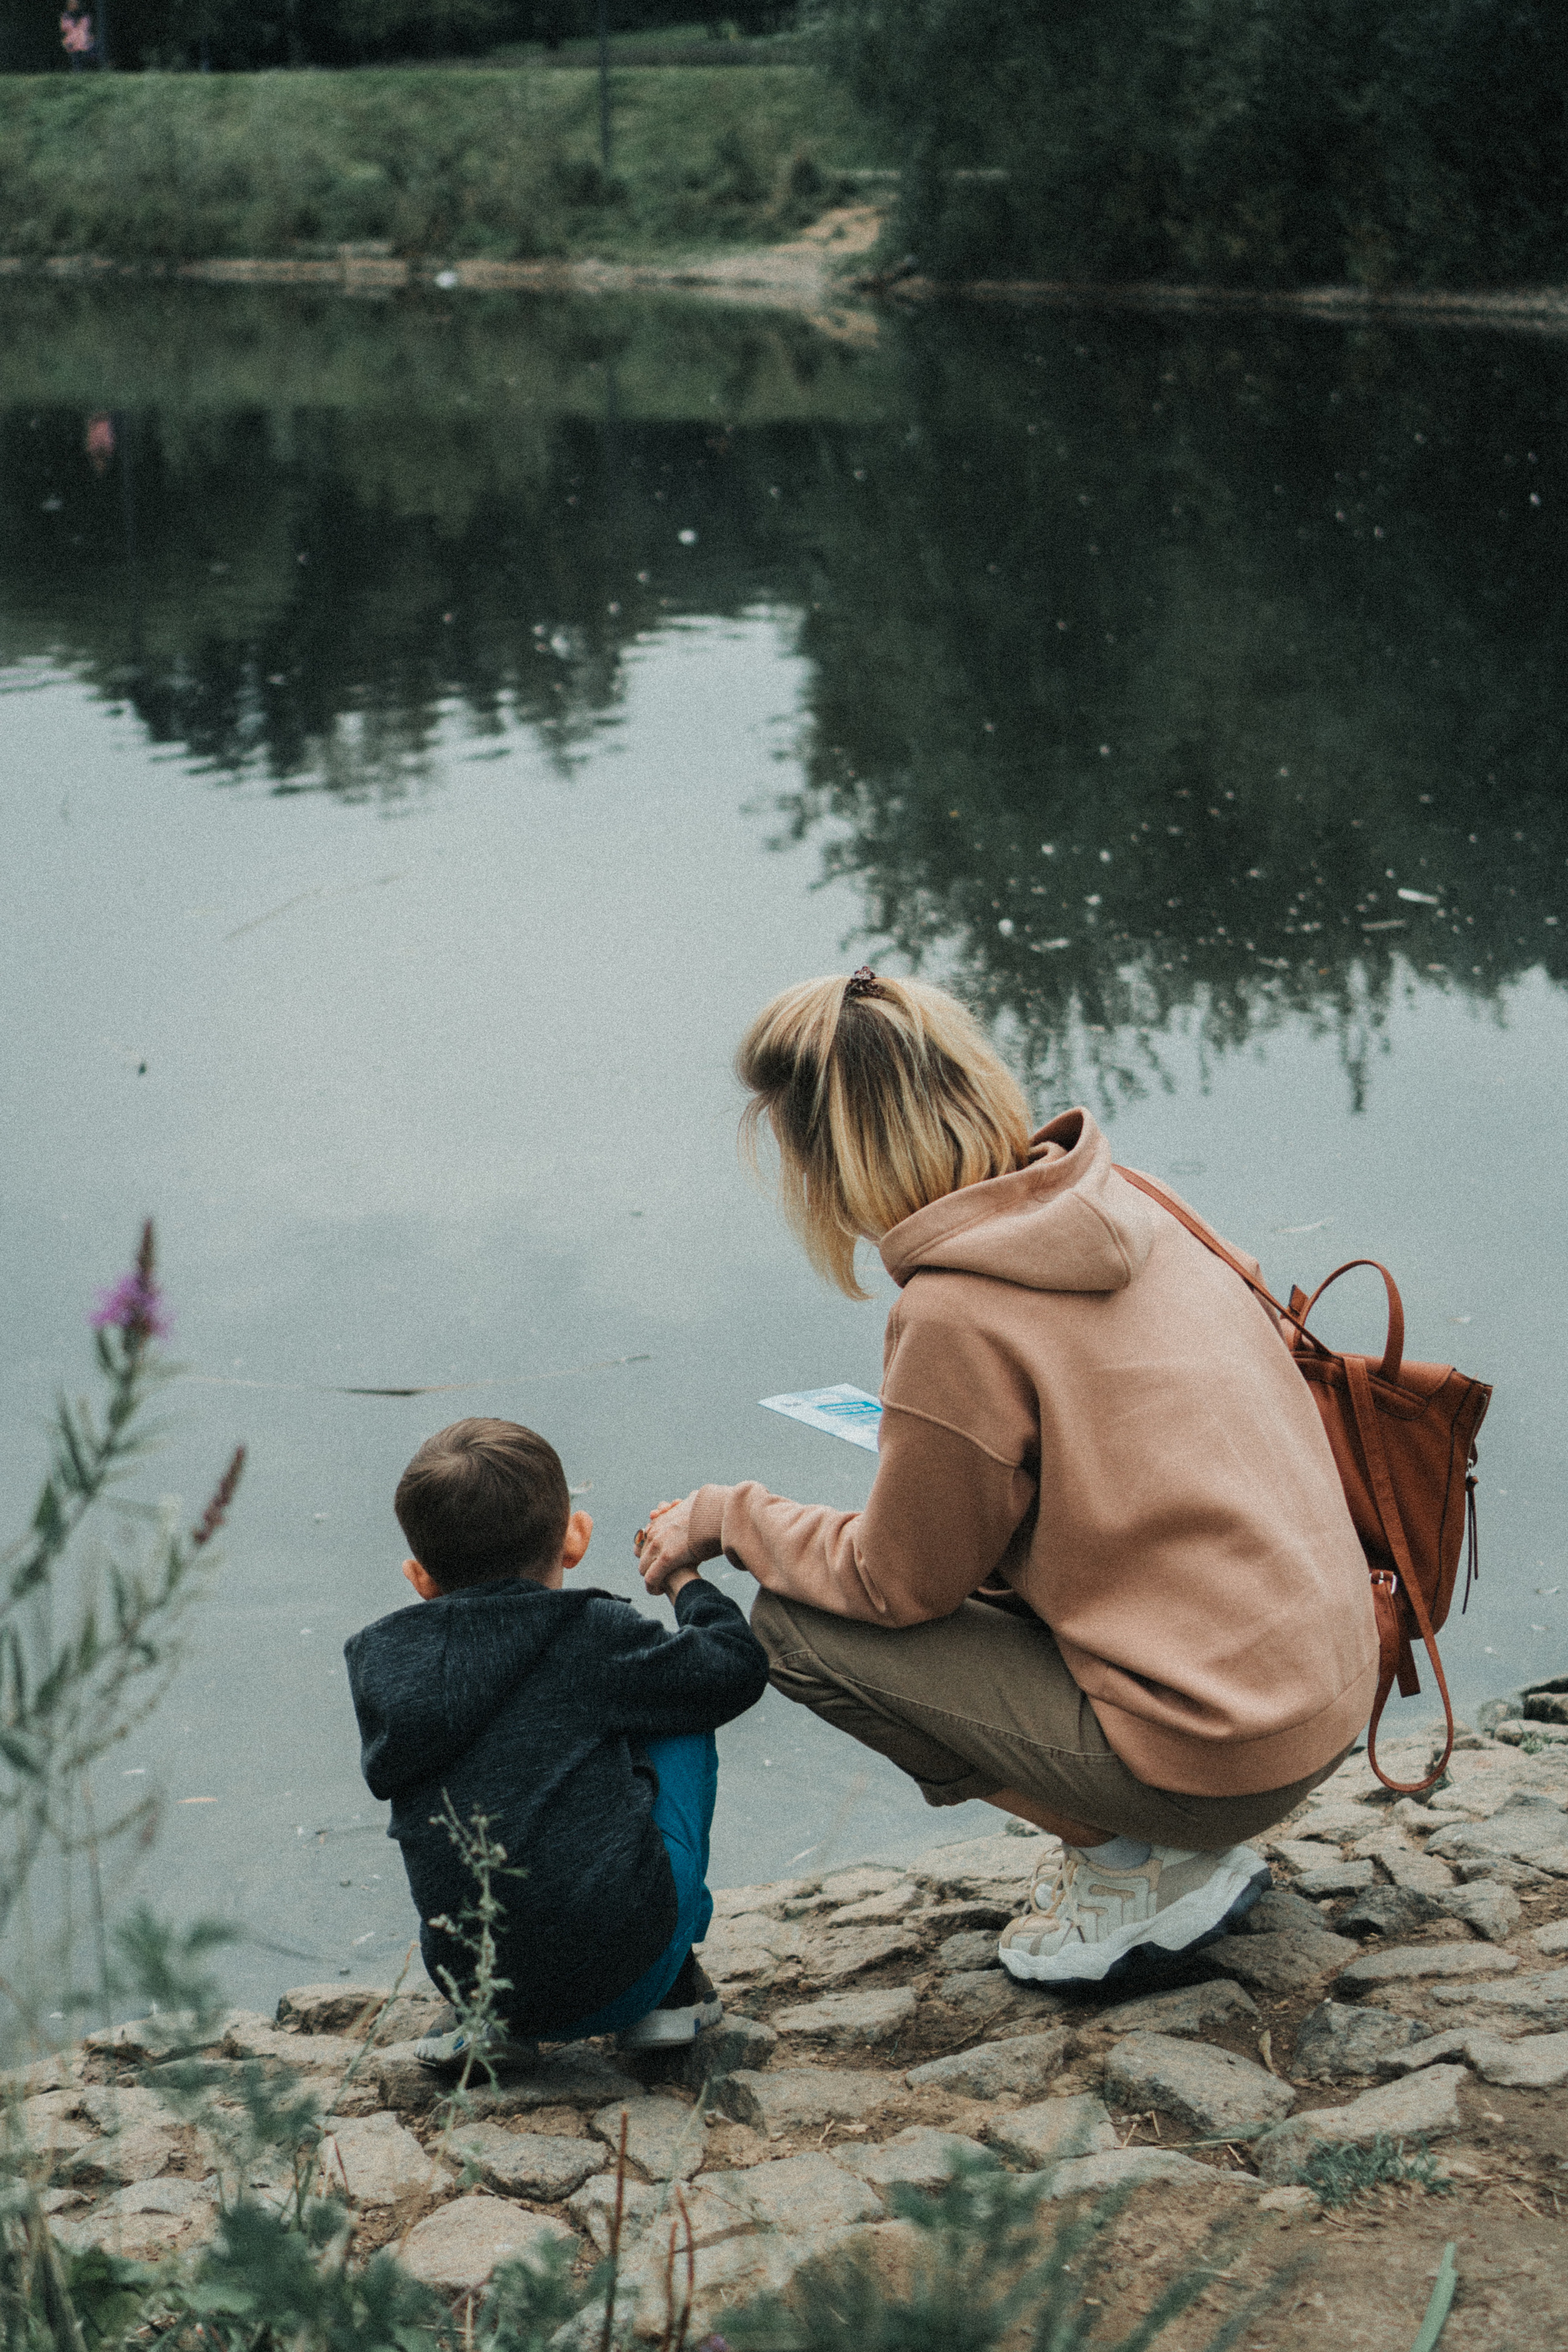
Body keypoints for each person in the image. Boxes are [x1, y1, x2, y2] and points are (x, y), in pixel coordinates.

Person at [635, 969, 1379, 1988]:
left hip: (1224, 1754)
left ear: (831, 1159)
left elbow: (899, 1587)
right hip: (1326, 1695)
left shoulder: (953, 1309)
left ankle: (1140, 1864)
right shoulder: (1128, 1199)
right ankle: (1162, 1840)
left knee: (796, 1628)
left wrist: (728, 1517)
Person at [345, 1417, 768, 2061]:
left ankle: (488, 2026)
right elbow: (731, 1670)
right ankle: (669, 1989)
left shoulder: (386, 1667)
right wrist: (685, 1579)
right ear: (575, 1539)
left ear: (419, 1579)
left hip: (480, 1986)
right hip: (626, 1979)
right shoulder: (590, 1635)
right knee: (679, 1707)